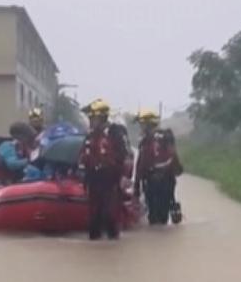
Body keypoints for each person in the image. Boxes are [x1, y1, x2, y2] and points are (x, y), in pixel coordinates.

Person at [78, 99, 133, 240]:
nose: (90, 120)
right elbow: (83, 156)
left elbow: (127, 155)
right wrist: (81, 172)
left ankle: (112, 246)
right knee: (93, 221)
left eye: (92, 117)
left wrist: (126, 177)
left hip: (110, 178)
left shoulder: (116, 131)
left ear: (101, 116)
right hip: (94, 178)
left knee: (110, 216)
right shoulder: (90, 135)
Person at [133, 110, 183, 224]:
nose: (141, 127)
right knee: (164, 213)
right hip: (167, 180)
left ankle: (156, 234)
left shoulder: (146, 140)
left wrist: (137, 184)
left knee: (154, 216)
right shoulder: (167, 135)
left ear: (148, 123)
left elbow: (141, 164)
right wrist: (178, 169)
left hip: (153, 181)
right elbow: (173, 155)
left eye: (142, 124)